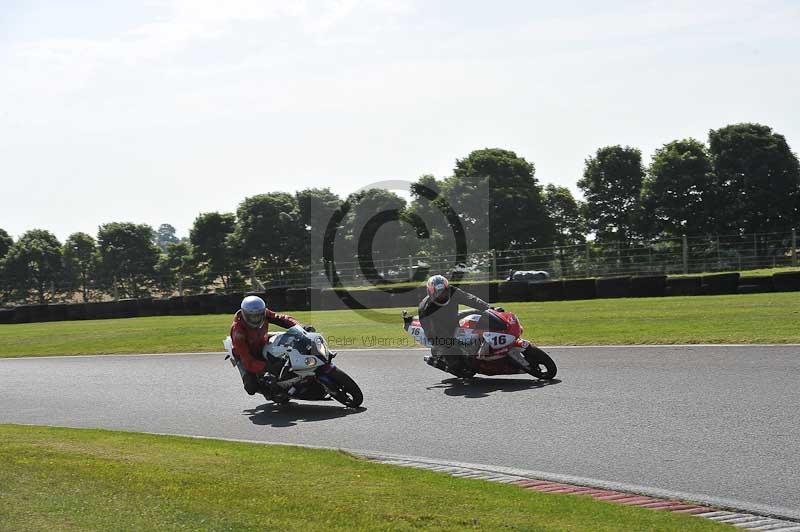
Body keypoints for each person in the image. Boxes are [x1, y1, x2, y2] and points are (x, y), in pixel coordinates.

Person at [418, 275, 502, 377]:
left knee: (479, 313)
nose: (442, 295)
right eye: (438, 293)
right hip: (438, 329)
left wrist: (489, 308)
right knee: (454, 354)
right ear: (431, 292)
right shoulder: (425, 308)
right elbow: (431, 332)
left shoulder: (452, 291)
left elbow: (470, 299)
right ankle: (452, 362)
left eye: (444, 291)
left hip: (454, 318)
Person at [230, 295, 312, 398]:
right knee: (251, 387)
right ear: (244, 314)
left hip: (262, 341)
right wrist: (267, 367)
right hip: (245, 353)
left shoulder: (264, 313)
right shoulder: (238, 332)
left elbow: (281, 318)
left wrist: (299, 327)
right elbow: (248, 361)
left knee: (293, 341)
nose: (256, 319)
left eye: (259, 315)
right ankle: (269, 390)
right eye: (252, 316)